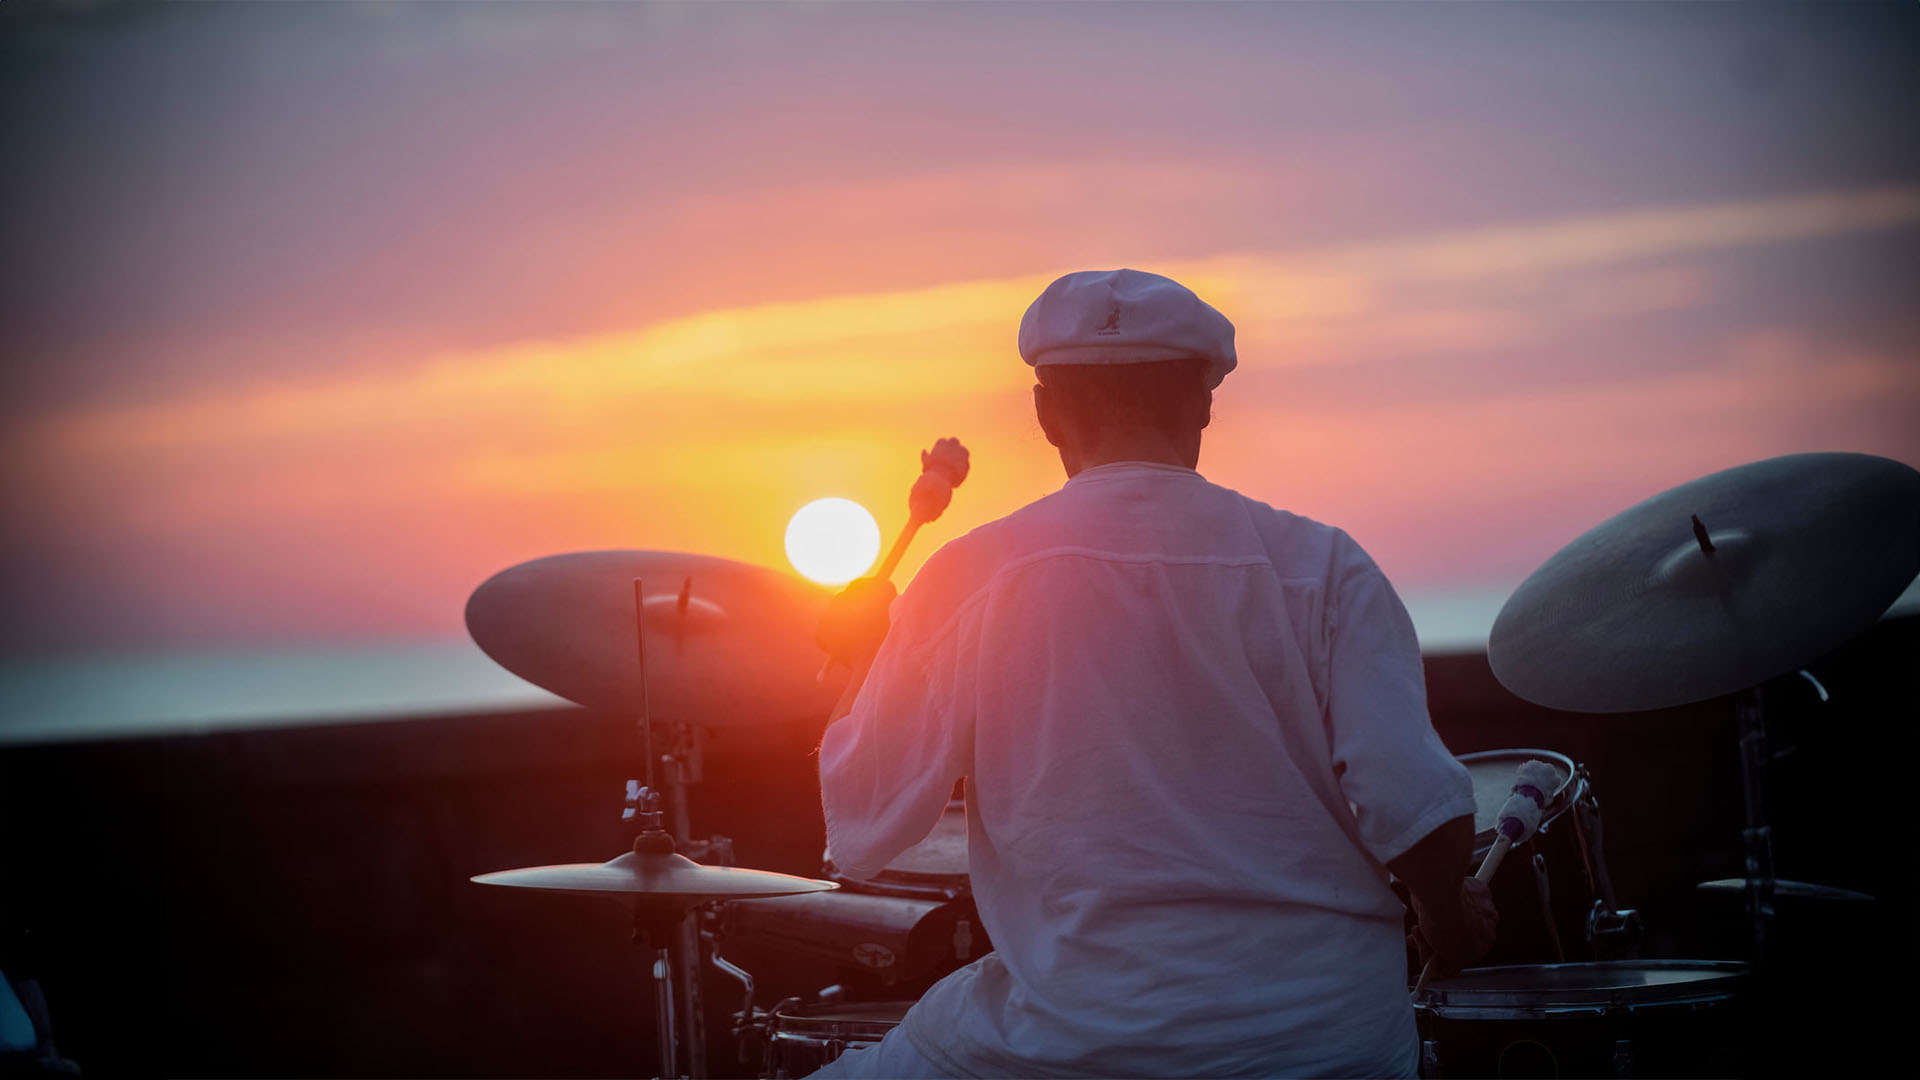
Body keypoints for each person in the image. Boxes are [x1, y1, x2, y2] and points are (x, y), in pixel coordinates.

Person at [810, 268, 1496, 1078]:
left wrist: (859, 663)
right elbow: (1416, 809)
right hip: (1332, 1038)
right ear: (1203, 401)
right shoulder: (1324, 566)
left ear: (1044, 412)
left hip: (1081, 1042)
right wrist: (1453, 930)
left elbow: (862, 818)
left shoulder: (969, 577)